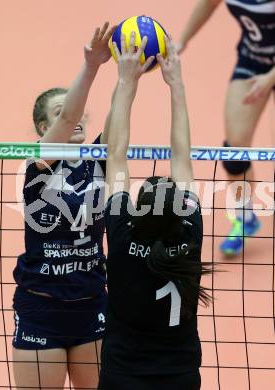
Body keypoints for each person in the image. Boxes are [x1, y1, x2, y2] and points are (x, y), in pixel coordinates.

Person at [98, 32, 212, 390]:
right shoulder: (187, 237)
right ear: (180, 211)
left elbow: (115, 152)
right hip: (179, 376)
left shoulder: (122, 237)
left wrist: (125, 81)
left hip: (123, 375)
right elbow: (183, 157)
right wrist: (175, 83)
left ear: (137, 211)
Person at [12, 22, 115, 390]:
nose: (71, 117)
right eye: (58, 113)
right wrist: (91, 66)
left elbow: (120, 120)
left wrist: (129, 72)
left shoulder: (101, 158)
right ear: (43, 127)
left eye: (72, 111)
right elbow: (71, 116)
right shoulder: (37, 166)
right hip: (42, 308)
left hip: (91, 304)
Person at [176, 0, 275, 256]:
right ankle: (245, 217)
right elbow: (209, 3)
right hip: (252, 60)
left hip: (269, 72)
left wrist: (269, 79)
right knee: (234, 152)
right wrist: (182, 41)